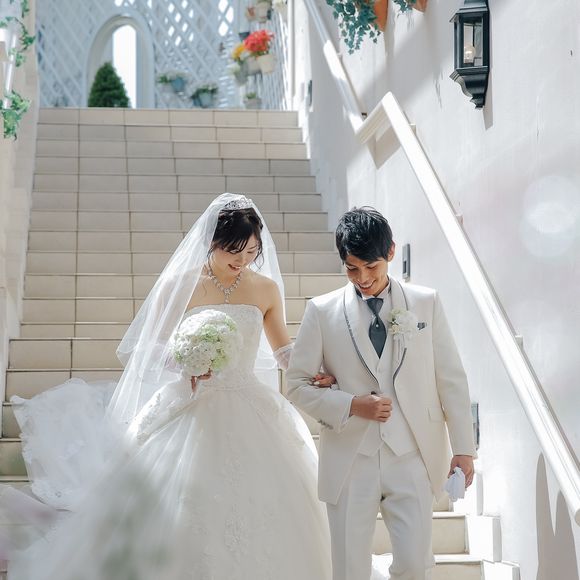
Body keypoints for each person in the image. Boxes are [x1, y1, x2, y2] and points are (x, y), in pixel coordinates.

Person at [3, 193, 333, 580]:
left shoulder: (265, 288)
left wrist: (314, 370)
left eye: (250, 252)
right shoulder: (180, 285)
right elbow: (152, 348)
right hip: (190, 398)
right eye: (233, 251)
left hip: (248, 402)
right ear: (212, 241)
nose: (242, 261)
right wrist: (187, 362)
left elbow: (282, 351)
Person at [286, 207, 476, 580]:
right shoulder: (322, 311)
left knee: (414, 565)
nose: (363, 278)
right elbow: (296, 384)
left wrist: (464, 448)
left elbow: (450, 378)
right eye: (352, 269)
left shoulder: (426, 303)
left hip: (412, 453)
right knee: (349, 569)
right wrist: (351, 405)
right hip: (349, 459)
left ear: (390, 252)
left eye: (371, 267)